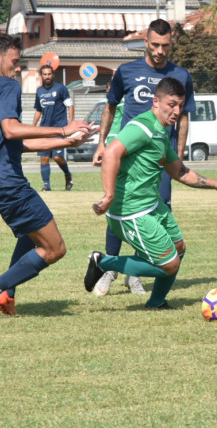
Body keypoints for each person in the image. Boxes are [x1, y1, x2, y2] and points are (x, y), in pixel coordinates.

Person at [0, 33, 94, 319]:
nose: (19, 67)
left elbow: (13, 143)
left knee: (28, 233)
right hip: (6, 180)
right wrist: (62, 128)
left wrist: (66, 142)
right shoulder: (7, 85)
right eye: (15, 61)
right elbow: (12, 129)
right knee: (55, 248)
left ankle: (7, 295)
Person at [85, 77, 217, 309]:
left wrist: (215, 183)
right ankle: (104, 263)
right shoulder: (142, 126)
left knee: (179, 248)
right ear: (156, 101)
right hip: (131, 212)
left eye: (180, 106)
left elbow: (179, 171)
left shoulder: (161, 131)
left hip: (152, 206)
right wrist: (109, 195)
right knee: (170, 264)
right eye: (171, 104)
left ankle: (156, 302)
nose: (176, 111)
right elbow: (111, 153)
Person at [91, 19, 196, 296]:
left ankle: (134, 273)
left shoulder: (181, 75)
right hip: (131, 155)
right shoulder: (126, 72)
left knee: (156, 213)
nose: (160, 50)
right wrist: (102, 143)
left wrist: (180, 156)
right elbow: (110, 107)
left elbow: (184, 118)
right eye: (155, 44)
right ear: (146, 43)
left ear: (171, 44)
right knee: (124, 210)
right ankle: (108, 270)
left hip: (161, 157)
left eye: (165, 45)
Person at [92, 83, 146, 296]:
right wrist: (102, 148)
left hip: (145, 166)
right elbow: (110, 139)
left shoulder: (145, 104)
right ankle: (110, 268)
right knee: (115, 213)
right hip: (119, 166)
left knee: (146, 215)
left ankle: (134, 273)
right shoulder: (113, 106)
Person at [33, 65, 75, 191]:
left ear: (53, 75)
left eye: (49, 74)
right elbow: (38, 110)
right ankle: (47, 186)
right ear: (42, 76)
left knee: (57, 157)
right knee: (44, 157)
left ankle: (67, 175)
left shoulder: (60, 88)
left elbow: (70, 105)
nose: (47, 76)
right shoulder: (39, 91)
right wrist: (32, 128)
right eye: (45, 74)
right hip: (44, 130)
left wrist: (70, 125)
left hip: (59, 128)